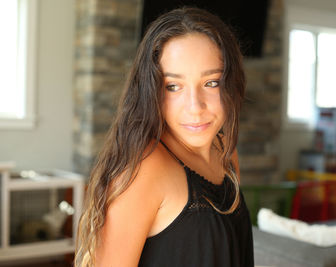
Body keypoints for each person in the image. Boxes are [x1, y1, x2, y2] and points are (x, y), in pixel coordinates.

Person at [74, 7, 254, 267]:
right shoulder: (145, 171)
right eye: (173, 86)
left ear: (231, 82)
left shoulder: (225, 148)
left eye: (211, 82)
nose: (195, 106)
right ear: (151, 92)